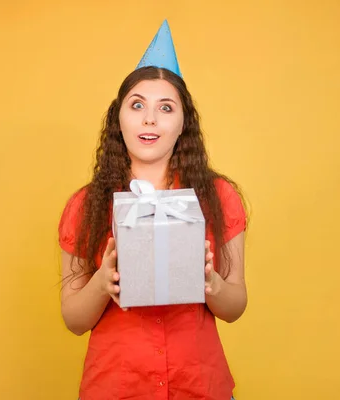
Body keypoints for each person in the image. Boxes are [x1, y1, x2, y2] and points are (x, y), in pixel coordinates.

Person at [58, 20, 248, 400]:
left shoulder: (219, 196)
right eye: (137, 105)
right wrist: (104, 280)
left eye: (166, 107)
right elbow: (74, 320)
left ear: (182, 125)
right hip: (116, 387)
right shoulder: (85, 205)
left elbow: (235, 306)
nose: (150, 118)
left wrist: (208, 280)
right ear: (119, 120)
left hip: (199, 387)